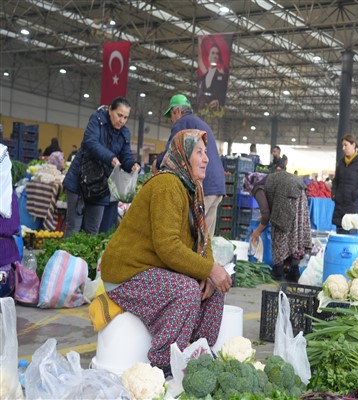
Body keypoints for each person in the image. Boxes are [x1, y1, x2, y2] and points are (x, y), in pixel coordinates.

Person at [100, 129, 232, 376]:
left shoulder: (192, 189)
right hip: (128, 273)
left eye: (207, 153)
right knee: (187, 290)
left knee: (215, 289)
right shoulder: (167, 184)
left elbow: (204, 241)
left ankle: (196, 353)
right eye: (199, 153)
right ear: (182, 155)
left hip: (155, 269)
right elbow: (168, 246)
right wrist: (208, 270)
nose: (206, 159)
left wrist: (210, 271)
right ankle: (163, 365)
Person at [63, 97, 140, 237]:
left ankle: (86, 260)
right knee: (73, 229)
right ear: (110, 110)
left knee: (92, 232)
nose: (122, 120)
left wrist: (133, 165)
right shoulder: (96, 119)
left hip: (101, 187)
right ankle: (67, 259)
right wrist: (110, 158)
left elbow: (126, 154)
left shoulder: (124, 133)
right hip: (79, 181)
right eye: (119, 115)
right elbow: (90, 142)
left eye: (126, 117)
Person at [156, 94, 225, 237]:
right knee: (205, 240)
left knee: (188, 236)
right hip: (217, 186)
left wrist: (156, 162)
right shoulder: (200, 123)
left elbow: (171, 151)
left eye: (171, 115)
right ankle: (204, 260)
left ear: (177, 111)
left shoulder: (182, 123)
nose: (172, 121)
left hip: (204, 186)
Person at [244, 171, 311, 281]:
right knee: (296, 231)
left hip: (286, 193)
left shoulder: (257, 187)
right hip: (300, 190)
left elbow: (266, 214)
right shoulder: (267, 180)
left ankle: (278, 272)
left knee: (279, 231)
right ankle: (294, 270)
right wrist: (263, 218)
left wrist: (257, 232)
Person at [331, 133, 358, 233]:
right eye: (342, 146)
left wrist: (356, 194)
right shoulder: (341, 162)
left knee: (351, 235)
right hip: (340, 205)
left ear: (353, 145)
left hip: (353, 206)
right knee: (339, 235)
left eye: (346, 145)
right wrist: (334, 193)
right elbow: (336, 180)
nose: (343, 148)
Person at [198, 41, 229, 112]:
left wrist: (218, 101)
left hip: (215, 111)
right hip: (203, 111)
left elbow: (222, 94)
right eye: (213, 53)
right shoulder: (202, 78)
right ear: (208, 56)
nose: (215, 56)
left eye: (217, 54)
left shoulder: (222, 77)